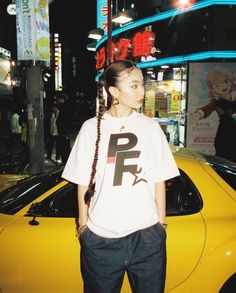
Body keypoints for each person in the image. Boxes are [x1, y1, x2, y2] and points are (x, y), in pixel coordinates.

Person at [62, 60, 180, 293]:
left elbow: (159, 179)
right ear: (114, 91)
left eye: (142, 85)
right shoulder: (90, 127)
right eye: (134, 86)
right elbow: (82, 181)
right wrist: (83, 226)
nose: (142, 92)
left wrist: (161, 224)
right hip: (100, 239)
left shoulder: (150, 127)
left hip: (147, 238)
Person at [54, 93, 72, 164]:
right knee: (64, 147)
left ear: (62, 99)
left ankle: (65, 162)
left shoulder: (64, 108)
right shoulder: (65, 106)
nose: (57, 101)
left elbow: (63, 120)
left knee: (63, 147)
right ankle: (64, 161)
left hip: (63, 131)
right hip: (64, 131)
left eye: (58, 99)